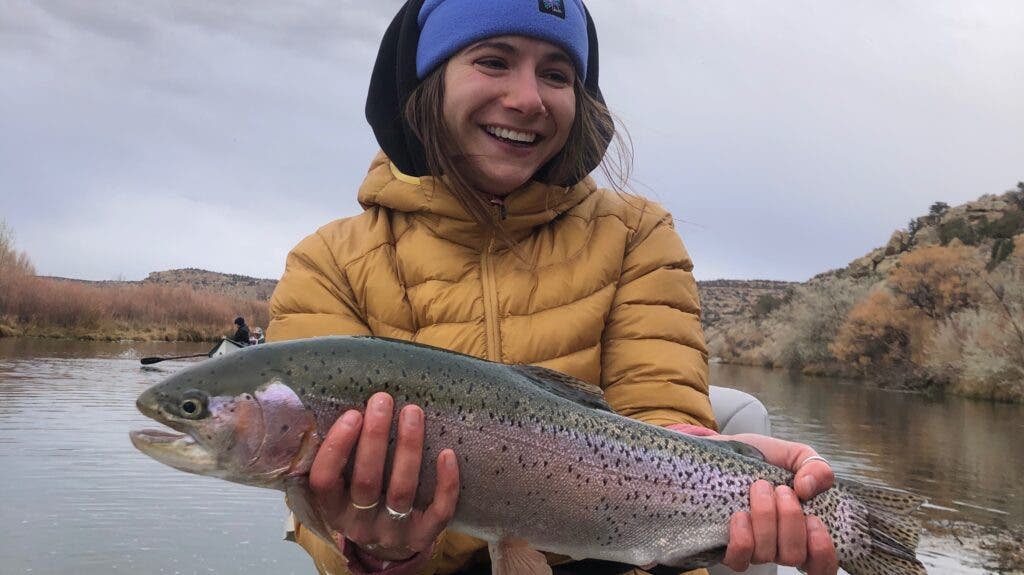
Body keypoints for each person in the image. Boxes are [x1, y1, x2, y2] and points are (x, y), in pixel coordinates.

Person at [266, 1, 838, 574]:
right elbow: (323, 534)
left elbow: (659, 417)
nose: (528, 99)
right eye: (493, 61)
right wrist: (372, 552)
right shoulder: (327, 263)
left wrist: (712, 467)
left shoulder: (637, 234)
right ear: (427, 82)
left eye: (557, 74)